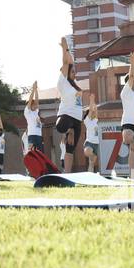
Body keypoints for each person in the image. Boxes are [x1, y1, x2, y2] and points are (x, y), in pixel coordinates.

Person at [54, 38, 86, 172]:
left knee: (71, 149)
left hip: (77, 119)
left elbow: (71, 62)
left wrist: (67, 50)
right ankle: (68, 131)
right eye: (72, 72)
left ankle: (67, 174)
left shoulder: (74, 85)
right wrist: (65, 48)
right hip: (66, 116)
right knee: (61, 127)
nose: (74, 73)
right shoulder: (63, 82)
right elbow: (67, 62)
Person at [23, 81, 44, 154]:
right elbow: (31, 99)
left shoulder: (36, 112)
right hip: (32, 135)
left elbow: (37, 99)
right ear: (30, 105)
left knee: (40, 153)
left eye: (36, 105)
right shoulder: (27, 112)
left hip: (39, 135)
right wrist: (33, 89)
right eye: (34, 105)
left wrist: (36, 90)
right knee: (31, 153)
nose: (36, 106)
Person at [83, 98, 101, 172]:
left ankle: (90, 175)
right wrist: (92, 101)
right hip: (89, 143)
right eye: (92, 112)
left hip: (97, 144)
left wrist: (94, 106)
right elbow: (91, 110)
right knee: (89, 152)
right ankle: (91, 156)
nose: (94, 113)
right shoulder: (87, 121)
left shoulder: (96, 120)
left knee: (92, 163)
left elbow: (95, 110)